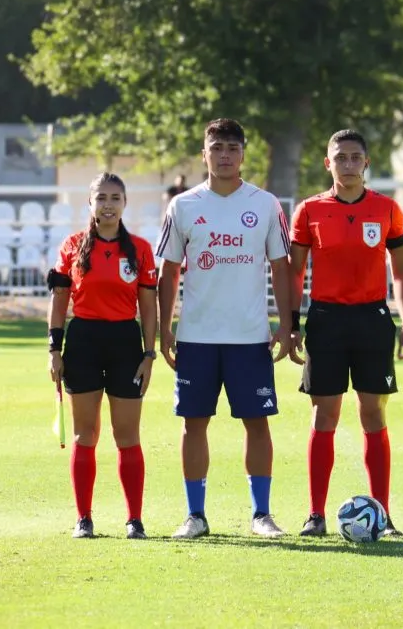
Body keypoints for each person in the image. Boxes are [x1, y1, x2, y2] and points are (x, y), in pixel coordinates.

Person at [156, 117, 293, 539]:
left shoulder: (266, 204)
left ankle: (261, 516)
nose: (225, 155)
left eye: (233, 148)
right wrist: (165, 329)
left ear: (243, 154)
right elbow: (169, 271)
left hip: (250, 337)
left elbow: (282, 268)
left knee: (257, 423)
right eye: (217, 148)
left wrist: (287, 325)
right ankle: (195, 516)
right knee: (193, 423)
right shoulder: (183, 205)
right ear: (205, 154)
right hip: (196, 337)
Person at [288, 129, 403, 537]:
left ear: (367, 163)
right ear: (328, 163)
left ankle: (384, 514)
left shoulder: (387, 209)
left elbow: (400, 270)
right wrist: (291, 324)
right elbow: (295, 272)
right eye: (340, 157)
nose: (347, 163)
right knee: (324, 415)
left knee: (373, 414)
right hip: (326, 320)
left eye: (355, 156)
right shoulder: (309, 210)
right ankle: (315, 514)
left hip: (372, 320)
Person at [47, 172, 158, 540]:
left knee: (127, 434)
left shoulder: (140, 249)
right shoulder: (73, 246)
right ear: (90, 203)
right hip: (83, 343)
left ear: (125, 204)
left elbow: (149, 306)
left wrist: (148, 353)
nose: (108, 205)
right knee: (85, 434)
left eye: (115, 198)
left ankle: (135, 520)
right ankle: (84, 519)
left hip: (125, 342)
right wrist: (54, 350)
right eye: (101, 198)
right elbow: (60, 301)